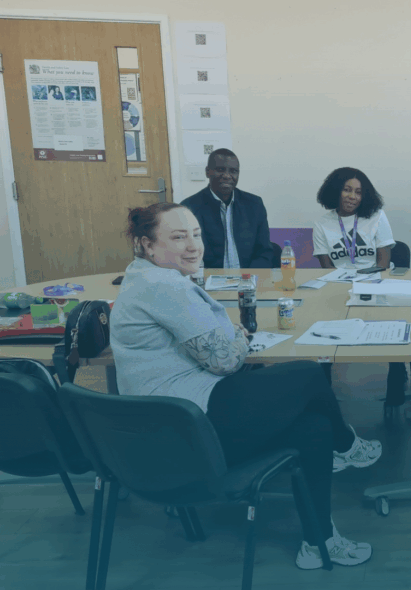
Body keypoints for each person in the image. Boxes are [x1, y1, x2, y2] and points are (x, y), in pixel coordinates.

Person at [110, 202, 381, 569]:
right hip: (189, 430)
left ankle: (319, 540)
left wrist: (226, 336)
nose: (193, 246)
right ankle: (347, 445)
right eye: (178, 237)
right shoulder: (164, 286)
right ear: (147, 244)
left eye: (196, 235)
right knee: (307, 374)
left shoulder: (143, 277)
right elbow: (225, 361)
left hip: (168, 431)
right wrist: (239, 336)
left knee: (313, 427)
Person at [311, 168, 406, 409]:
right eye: (347, 190)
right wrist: (347, 288)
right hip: (339, 287)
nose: (352, 196)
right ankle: (323, 382)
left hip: (375, 284)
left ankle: (398, 375)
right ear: (335, 191)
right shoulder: (322, 224)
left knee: (392, 325)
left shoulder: (377, 217)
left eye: (358, 192)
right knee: (324, 327)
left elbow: (383, 263)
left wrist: (366, 285)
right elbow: (327, 268)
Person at [181, 149, 274, 269]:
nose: (227, 176)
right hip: (208, 278)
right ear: (207, 172)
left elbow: (264, 251)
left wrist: (251, 276)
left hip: (249, 277)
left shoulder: (254, 205)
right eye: (220, 170)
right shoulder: (189, 208)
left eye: (233, 171)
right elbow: (186, 254)